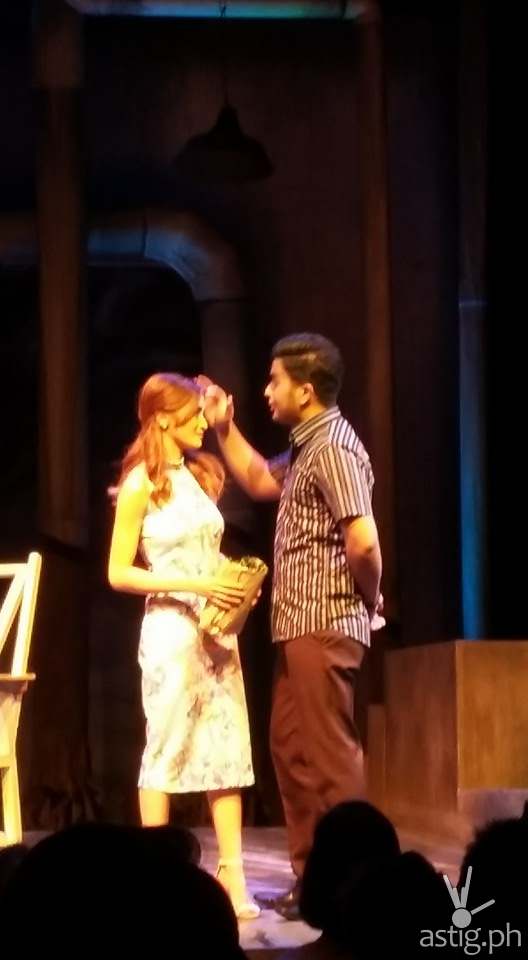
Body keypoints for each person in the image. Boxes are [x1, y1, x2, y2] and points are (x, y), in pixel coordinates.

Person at [203, 333, 383, 918]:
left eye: (275, 381)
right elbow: (260, 480)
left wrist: (368, 599)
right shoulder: (307, 447)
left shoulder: (332, 447)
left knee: (329, 756)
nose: (266, 391)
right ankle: (315, 880)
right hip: (300, 624)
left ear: (305, 391)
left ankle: (358, 885)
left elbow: (363, 540)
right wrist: (224, 427)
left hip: (325, 619)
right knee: (291, 748)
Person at [107, 371, 260, 919]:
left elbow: (206, 553)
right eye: (193, 413)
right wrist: (195, 583)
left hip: (216, 630)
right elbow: (119, 572)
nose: (201, 422)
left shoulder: (196, 477)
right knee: (167, 747)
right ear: (163, 417)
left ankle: (232, 876)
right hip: (172, 630)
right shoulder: (141, 484)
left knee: (227, 749)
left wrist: (234, 584)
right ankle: (156, 876)